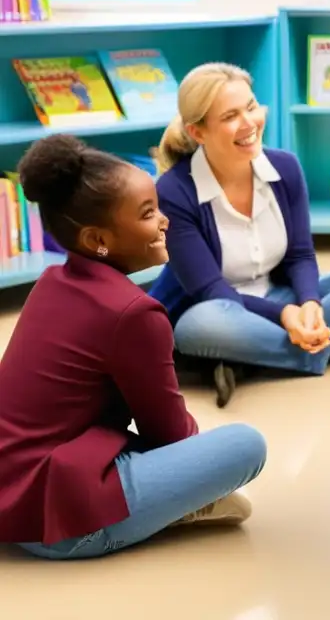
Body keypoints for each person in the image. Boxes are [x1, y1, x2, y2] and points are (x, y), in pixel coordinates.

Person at [0, 135, 266, 560]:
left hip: (13, 493)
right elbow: (169, 433)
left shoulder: (52, 281)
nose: (164, 221)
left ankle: (174, 502)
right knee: (246, 446)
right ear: (97, 240)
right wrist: (198, 472)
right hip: (61, 524)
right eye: (147, 214)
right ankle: (176, 508)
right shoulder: (134, 313)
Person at [150, 63, 330, 407]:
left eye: (251, 107)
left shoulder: (284, 168)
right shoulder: (173, 191)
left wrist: (309, 303)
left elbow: (299, 254)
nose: (249, 123)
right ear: (198, 132)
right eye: (230, 116)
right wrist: (285, 317)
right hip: (216, 308)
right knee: (198, 328)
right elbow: (210, 289)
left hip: (278, 296)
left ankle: (246, 359)